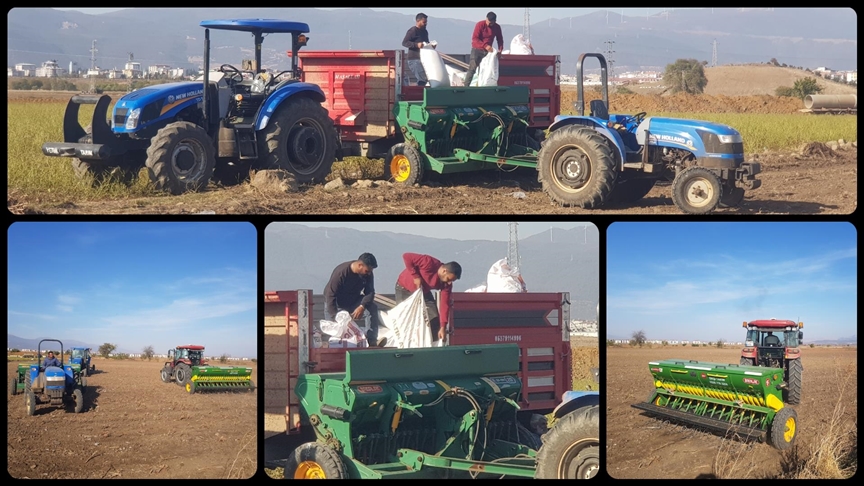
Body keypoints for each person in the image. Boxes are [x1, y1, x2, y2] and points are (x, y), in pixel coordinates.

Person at [394, 253, 462, 343]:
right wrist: (415, 276)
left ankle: (432, 344)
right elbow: (406, 256)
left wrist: (443, 326)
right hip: (404, 289)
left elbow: (444, 304)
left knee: (434, 318)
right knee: (404, 319)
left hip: (423, 292)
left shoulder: (446, 285)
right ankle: (403, 344)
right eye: (449, 279)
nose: (449, 283)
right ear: (444, 271)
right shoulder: (429, 263)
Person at [323, 253, 383, 346]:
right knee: (335, 331)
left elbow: (370, 292)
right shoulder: (341, 272)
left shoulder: (368, 274)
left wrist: (362, 306)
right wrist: (335, 316)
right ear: (360, 265)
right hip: (336, 303)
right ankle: (333, 344)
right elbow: (330, 295)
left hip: (353, 300)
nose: (369, 273)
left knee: (372, 307)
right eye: (367, 271)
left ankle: (372, 341)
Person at [463, 11, 505, 87]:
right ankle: (466, 86)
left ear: (494, 21)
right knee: (472, 68)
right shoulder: (480, 25)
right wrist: (485, 46)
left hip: (487, 52)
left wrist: (500, 50)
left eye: (491, 23)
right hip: (477, 49)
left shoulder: (497, 27)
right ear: (486, 19)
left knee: (486, 69)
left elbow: (500, 39)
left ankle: (483, 85)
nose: (489, 24)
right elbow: (475, 39)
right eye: (488, 22)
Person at [402, 12, 433, 86]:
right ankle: (420, 95)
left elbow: (425, 44)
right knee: (422, 79)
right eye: (424, 22)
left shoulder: (425, 32)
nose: (425, 24)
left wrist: (430, 46)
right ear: (418, 21)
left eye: (426, 22)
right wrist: (416, 45)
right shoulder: (413, 31)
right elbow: (405, 42)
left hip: (423, 59)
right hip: (414, 59)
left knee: (425, 78)